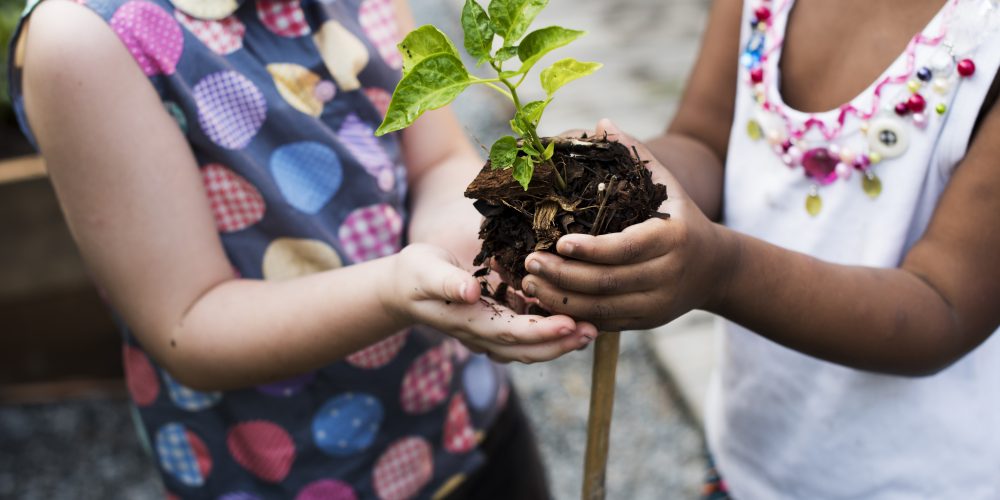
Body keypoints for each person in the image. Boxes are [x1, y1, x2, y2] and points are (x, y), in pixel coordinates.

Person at [9, 0, 597, 497]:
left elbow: (437, 160)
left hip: (465, 419)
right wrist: (395, 290)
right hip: (292, 471)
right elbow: (186, 323)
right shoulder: (87, 39)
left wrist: (458, 264)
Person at [520, 0, 1000, 498]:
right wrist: (617, 182)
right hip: (749, 458)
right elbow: (705, 141)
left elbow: (943, 307)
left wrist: (723, 273)